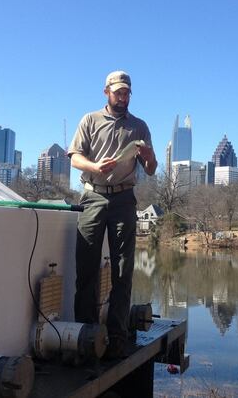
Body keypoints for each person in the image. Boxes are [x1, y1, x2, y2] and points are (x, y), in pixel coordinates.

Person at [68, 70, 157, 358]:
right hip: (93, 196)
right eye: (118, 92)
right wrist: (95, 167)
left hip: (124, 199)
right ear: (106, 91)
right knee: (87, 267)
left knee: (122, 271)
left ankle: (117, 337)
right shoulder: (89, 120)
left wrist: (150, 159)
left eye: (127, 92)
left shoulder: (139, 126)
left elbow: (152, 170)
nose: (123, 97)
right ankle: (86, 334)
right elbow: (76, 157)